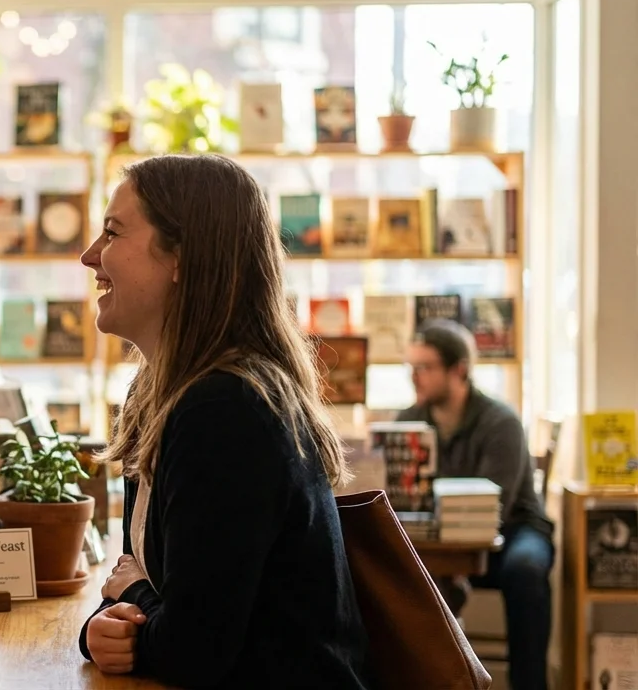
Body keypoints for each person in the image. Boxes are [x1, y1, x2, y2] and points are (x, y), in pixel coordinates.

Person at [75, 153, 371, 687]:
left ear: (182, 258)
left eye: (113, 234)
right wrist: (101, 629)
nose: (89, 256)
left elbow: (190, 647)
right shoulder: (156, 393)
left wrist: (132, 598)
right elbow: (138, 593)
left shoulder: (228, 410)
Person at [399, 319, 554, 690]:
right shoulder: (408, 421)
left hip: (512, 531)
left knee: (527, 571)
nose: (414, 377)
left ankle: (529, 684)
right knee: (398, 573)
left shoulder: (501, 422)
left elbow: (497, 504)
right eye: (412, 367)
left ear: (460, 370)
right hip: (440, 538)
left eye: (425, 367)